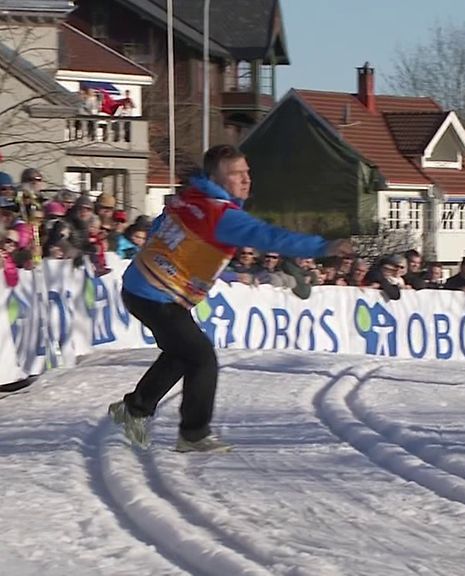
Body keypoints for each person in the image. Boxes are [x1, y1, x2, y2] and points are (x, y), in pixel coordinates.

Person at [107, 144, 354, 452]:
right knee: (202, 357)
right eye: (236, 174)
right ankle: (193, 434)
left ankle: (133, 409)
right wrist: (324, 248)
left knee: (181, 352)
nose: (246, 179)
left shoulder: (191, 196)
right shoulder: (223, 216)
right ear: (217, 178)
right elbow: (273, 238)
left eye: (247, 172)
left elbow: (161, 224)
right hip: (156, 294)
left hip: (142, 287)